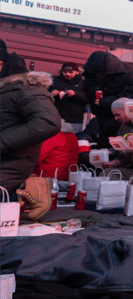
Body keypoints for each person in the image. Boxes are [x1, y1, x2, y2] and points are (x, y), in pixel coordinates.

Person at [0, 40, 61, 219]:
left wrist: (2, 142)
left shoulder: (26, 88)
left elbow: (48, 122)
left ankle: (29, 187)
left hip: (10, 163)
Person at [82, 51, 133, 149]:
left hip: (121, 122)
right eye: (98, 74)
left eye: (102, 74)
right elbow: (87, 92)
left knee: (120, 150)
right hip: (102, 120)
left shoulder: (128, 73)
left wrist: (105, 102)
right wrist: (95, 108)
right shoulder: (91, 75)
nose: (100, 76)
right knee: (103, 150)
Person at [49, 62, 87, 132]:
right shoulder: (55, 81)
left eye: (71, 72)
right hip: (57, 118)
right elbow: (45, 95)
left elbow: (88, 98)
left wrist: (75, 94)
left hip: (75, 120)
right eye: (65, 72)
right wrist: (51, 93)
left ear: (77, 72)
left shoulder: (83, 82)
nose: (67, 74)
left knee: (72, 140)